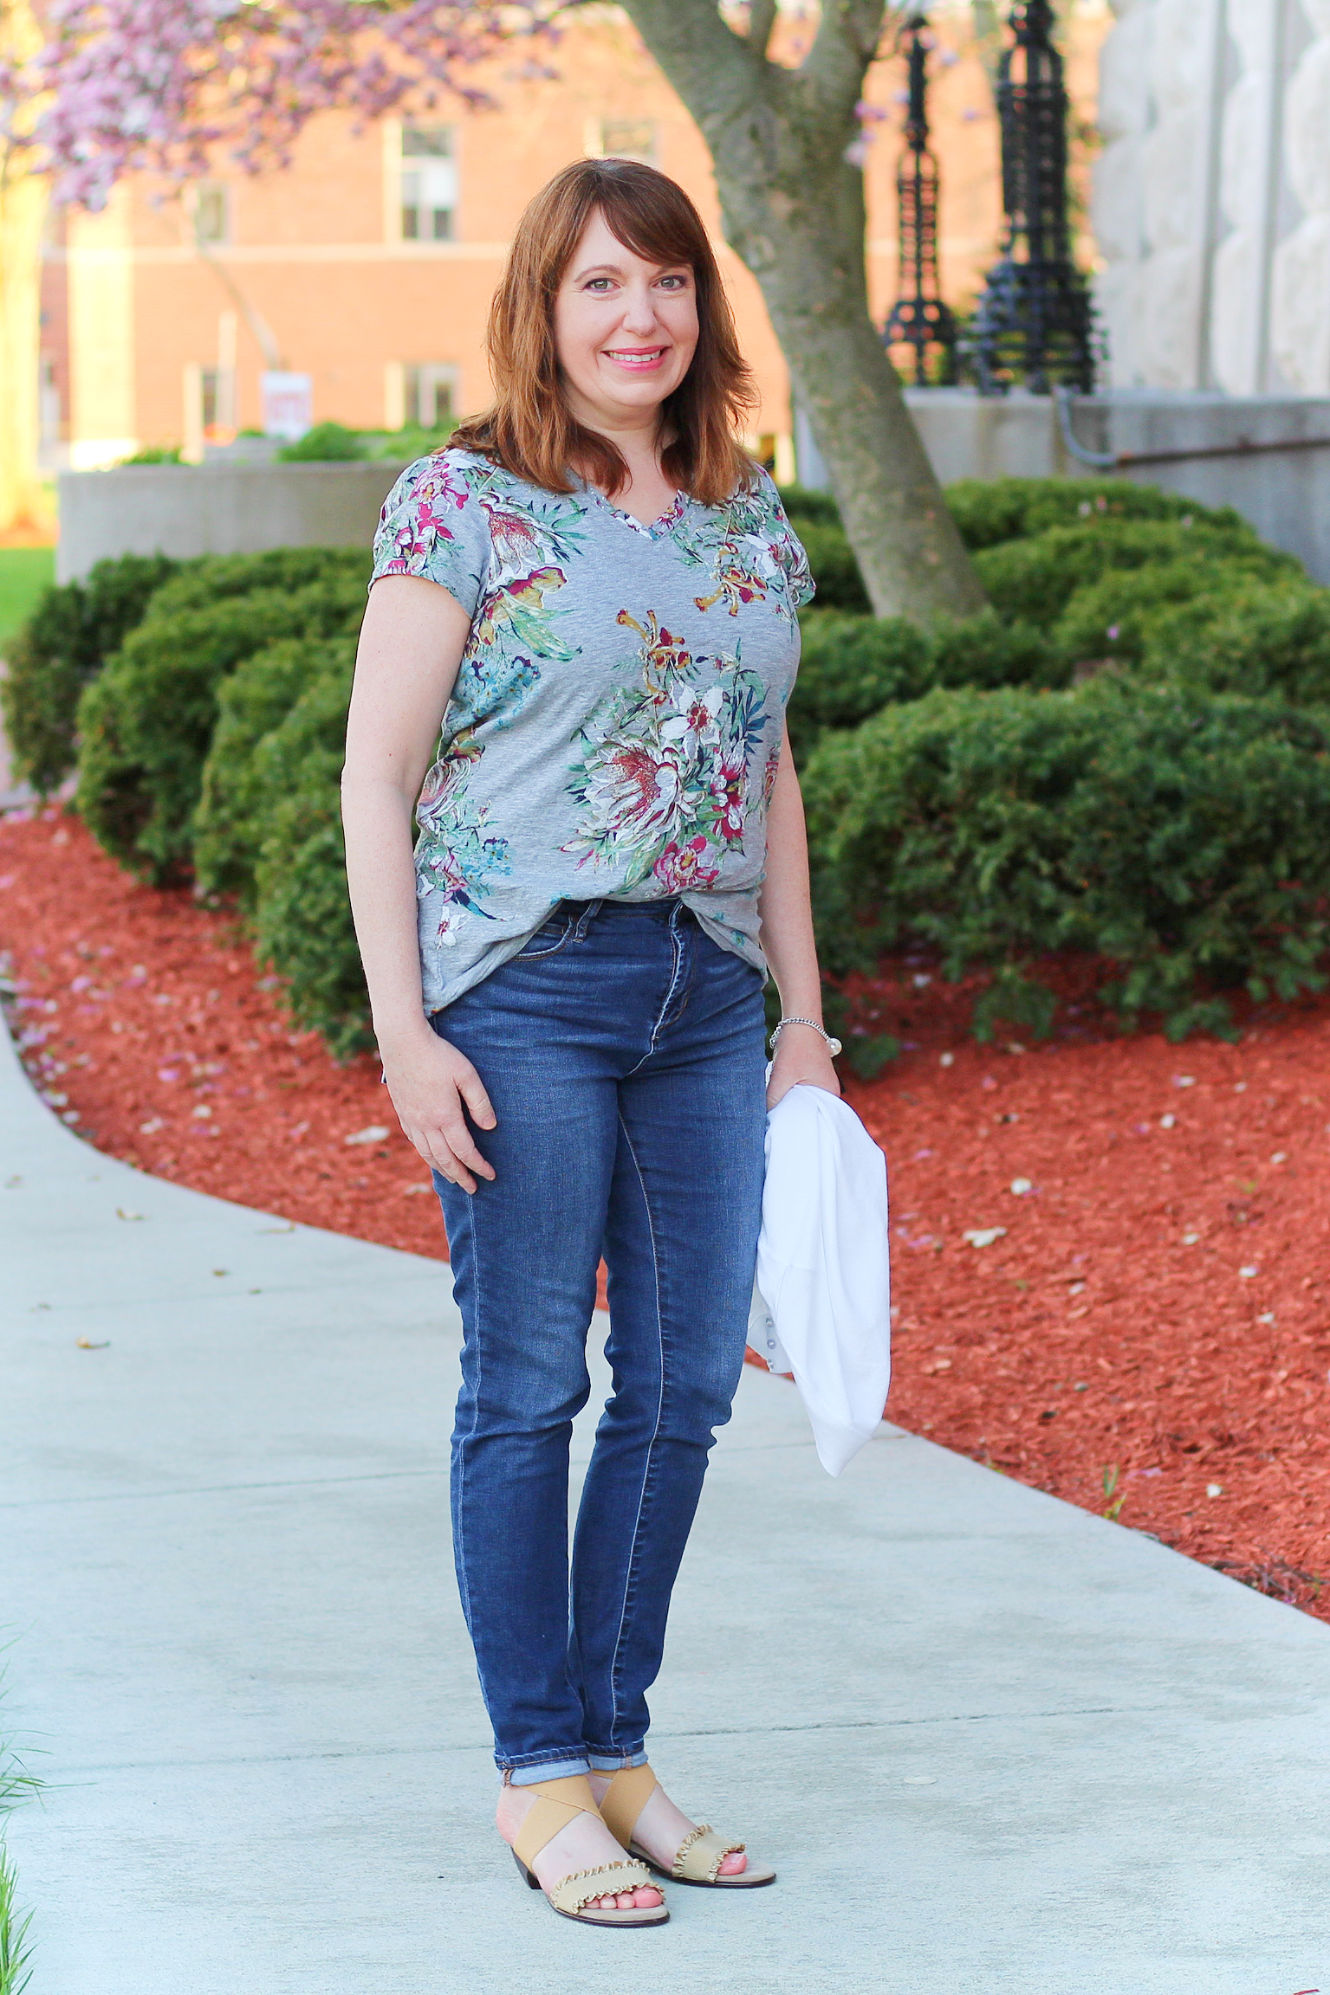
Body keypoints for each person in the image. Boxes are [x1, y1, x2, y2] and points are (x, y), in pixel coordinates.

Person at [341, 155, 840, 1930]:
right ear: (541, 311)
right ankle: (537, 1776)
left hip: (703, 1004)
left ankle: (617, 1750)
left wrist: (804, 1022)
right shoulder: (461, 502)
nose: (641, 318)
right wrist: (404, 1032)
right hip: (524, 997)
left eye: (669, 283)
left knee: (685, 1390)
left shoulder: (742, 509)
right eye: (600, 286)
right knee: (526, 1388)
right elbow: (377, 778)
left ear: (704, 306)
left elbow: (768, 768)